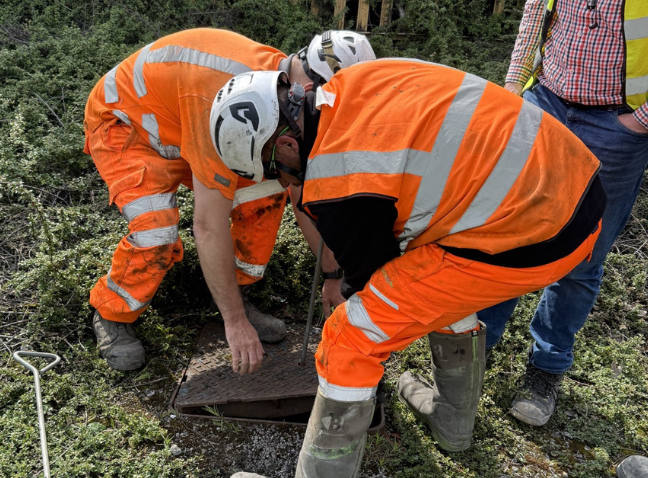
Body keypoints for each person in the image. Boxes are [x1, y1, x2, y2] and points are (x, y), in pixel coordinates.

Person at [211, 58, 606, 476]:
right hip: (574, 186)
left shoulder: (340, 180)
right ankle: (452, 424)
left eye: (277, 171)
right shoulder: (355, 82)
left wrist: (353, 324)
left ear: (288, 145)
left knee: (350, 338)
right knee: (435, 284)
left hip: (529, 236)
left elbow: (369, 283)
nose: (287, 184)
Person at [84, 28, 375, 372]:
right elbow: (208, 225)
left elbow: (301, 193)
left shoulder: (280, 87)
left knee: (266, 195)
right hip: (129, 127)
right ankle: (112, 313)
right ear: (312, 91)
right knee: (156, 232)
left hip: (183, 122)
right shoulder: (225, 102)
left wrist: (332, 274)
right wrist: (235, 325)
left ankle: (232, 292)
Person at [477, 0, 648, 432]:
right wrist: (514, 86)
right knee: (509, 234)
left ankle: (545, 371)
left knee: (582, 256)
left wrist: (641, 122)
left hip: (616, 126)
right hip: (544, 103)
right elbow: (536, 12)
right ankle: (476, 348)